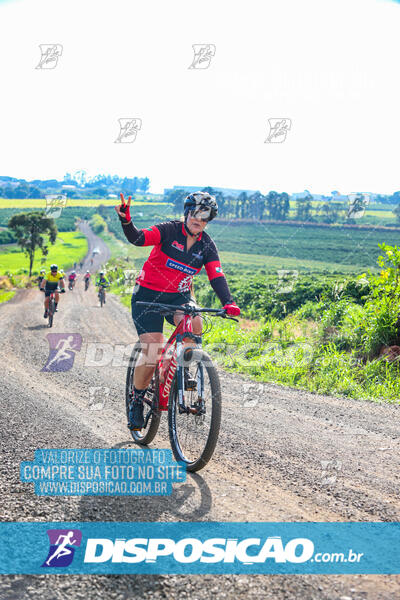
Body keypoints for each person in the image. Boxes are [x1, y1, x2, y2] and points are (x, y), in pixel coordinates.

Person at [115, 191, 240, 430]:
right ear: (186, 213)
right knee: (153, 351)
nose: (198, 219)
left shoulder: (207, 245)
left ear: (208, 220)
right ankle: (138, 400)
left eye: (204, 216)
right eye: (194, 213)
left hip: (179, 297)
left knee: (195, 324)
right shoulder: (168, 230)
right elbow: (139, 238)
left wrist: (228, 302)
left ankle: (184, 368)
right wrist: (126, 222)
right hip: (148, 296)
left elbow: (216, 276)